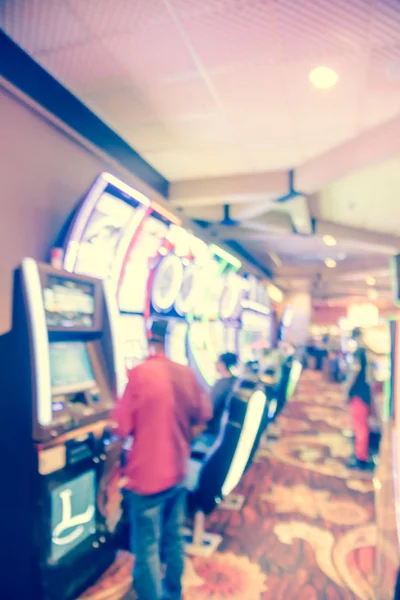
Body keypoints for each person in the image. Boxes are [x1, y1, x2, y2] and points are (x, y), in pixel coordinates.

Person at [112, 319, 212, 600]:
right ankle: (173, 592)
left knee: (147, 548)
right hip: (178, 472)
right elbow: (203, 418)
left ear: (147, 339)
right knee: (173, 539)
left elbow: (119, 428)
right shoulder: (185, 374)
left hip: (146, 478)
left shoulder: (140, 374)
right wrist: (182, 440)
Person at [346, 327, 374, 470]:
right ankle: (360, 454)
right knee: (360, 425)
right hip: (365, 392)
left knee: (360, 426)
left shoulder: (360, 352)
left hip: (359, 393)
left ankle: (361, 457)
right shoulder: (366, 352)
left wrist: (348, 390)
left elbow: (354, 373)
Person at [206, 352, 238, 436]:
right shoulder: (235, 381)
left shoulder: (222, 384)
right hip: (225, 427)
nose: (215, 364)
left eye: (218, 361)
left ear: (223, 364)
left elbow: (210, 407)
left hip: (214, 429)